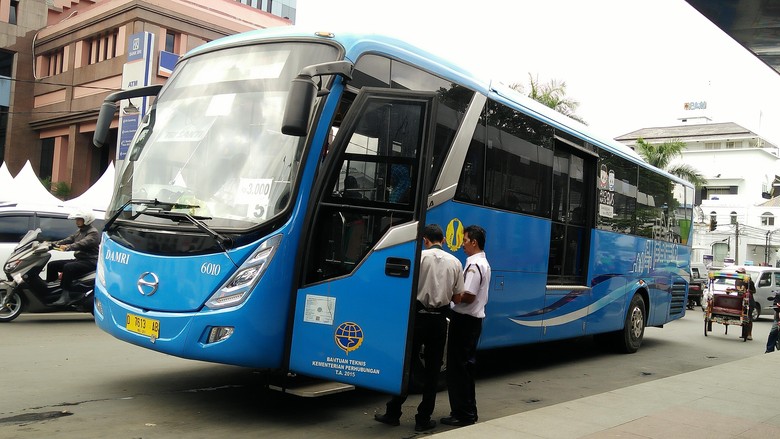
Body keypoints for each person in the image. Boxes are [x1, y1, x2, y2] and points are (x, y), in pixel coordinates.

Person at [374, 224, 465, 432]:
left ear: (425, 240)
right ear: (442, 240)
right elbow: (458, 297)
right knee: (433, 371)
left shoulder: (418, 257)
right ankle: (423, 419)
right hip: (439, 321)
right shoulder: (455, 262)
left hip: (417, 318)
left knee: (405, 366)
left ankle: (393, 412)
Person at [441, 224, 491, 427]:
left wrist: (450, 300)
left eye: (465, 240)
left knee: (458, 369)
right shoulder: (483, 263)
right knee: (466, 368)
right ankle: (468, 412)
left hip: (464, 321)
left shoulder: (474, 266)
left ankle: (462, 414)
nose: (462, 244)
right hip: (472, 322)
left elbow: (468, 296)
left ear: (474, 242)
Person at [46, 210, 101, 306]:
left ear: (87, 220)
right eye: (77, 219)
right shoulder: (79, 232)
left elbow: (83, 243)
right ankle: (52, 293)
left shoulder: (93, 233)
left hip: (90, 261)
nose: (77, 221)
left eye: (79, 219)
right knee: (52, 265)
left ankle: (65, 297)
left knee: (68, 267)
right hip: (80, 260)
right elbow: (69, 239)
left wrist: (68, 247)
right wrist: (52, 244)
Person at [735, 267, 755, 340]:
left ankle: (749, 334)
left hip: (749, 301)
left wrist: (747, 290)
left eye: (740, 273)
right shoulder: (737, 280)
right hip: (740, 300)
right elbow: (736, 289)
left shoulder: (749, 281)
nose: (738, 274)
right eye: (738, 273)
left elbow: (754, 291)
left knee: (748, 317)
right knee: (743, 317)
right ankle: (744, 334)